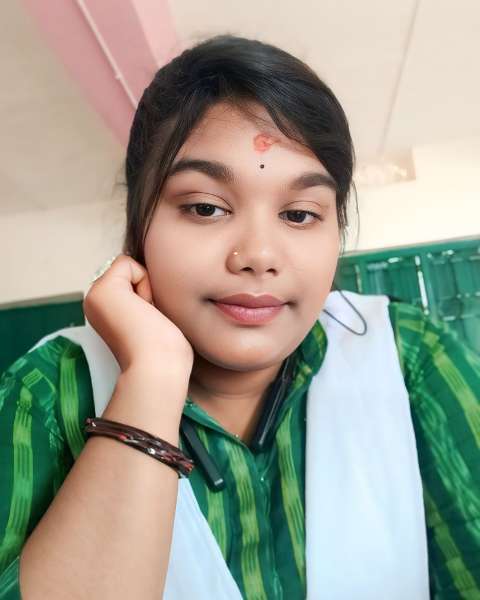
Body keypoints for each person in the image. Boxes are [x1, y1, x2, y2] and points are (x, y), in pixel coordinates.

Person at [0, 34, 479, 600]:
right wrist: (151, 378)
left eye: (299, 214)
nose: (258, 255)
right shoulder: (47, 391)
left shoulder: (407, 355)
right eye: (206, 207)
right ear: (139, 227)